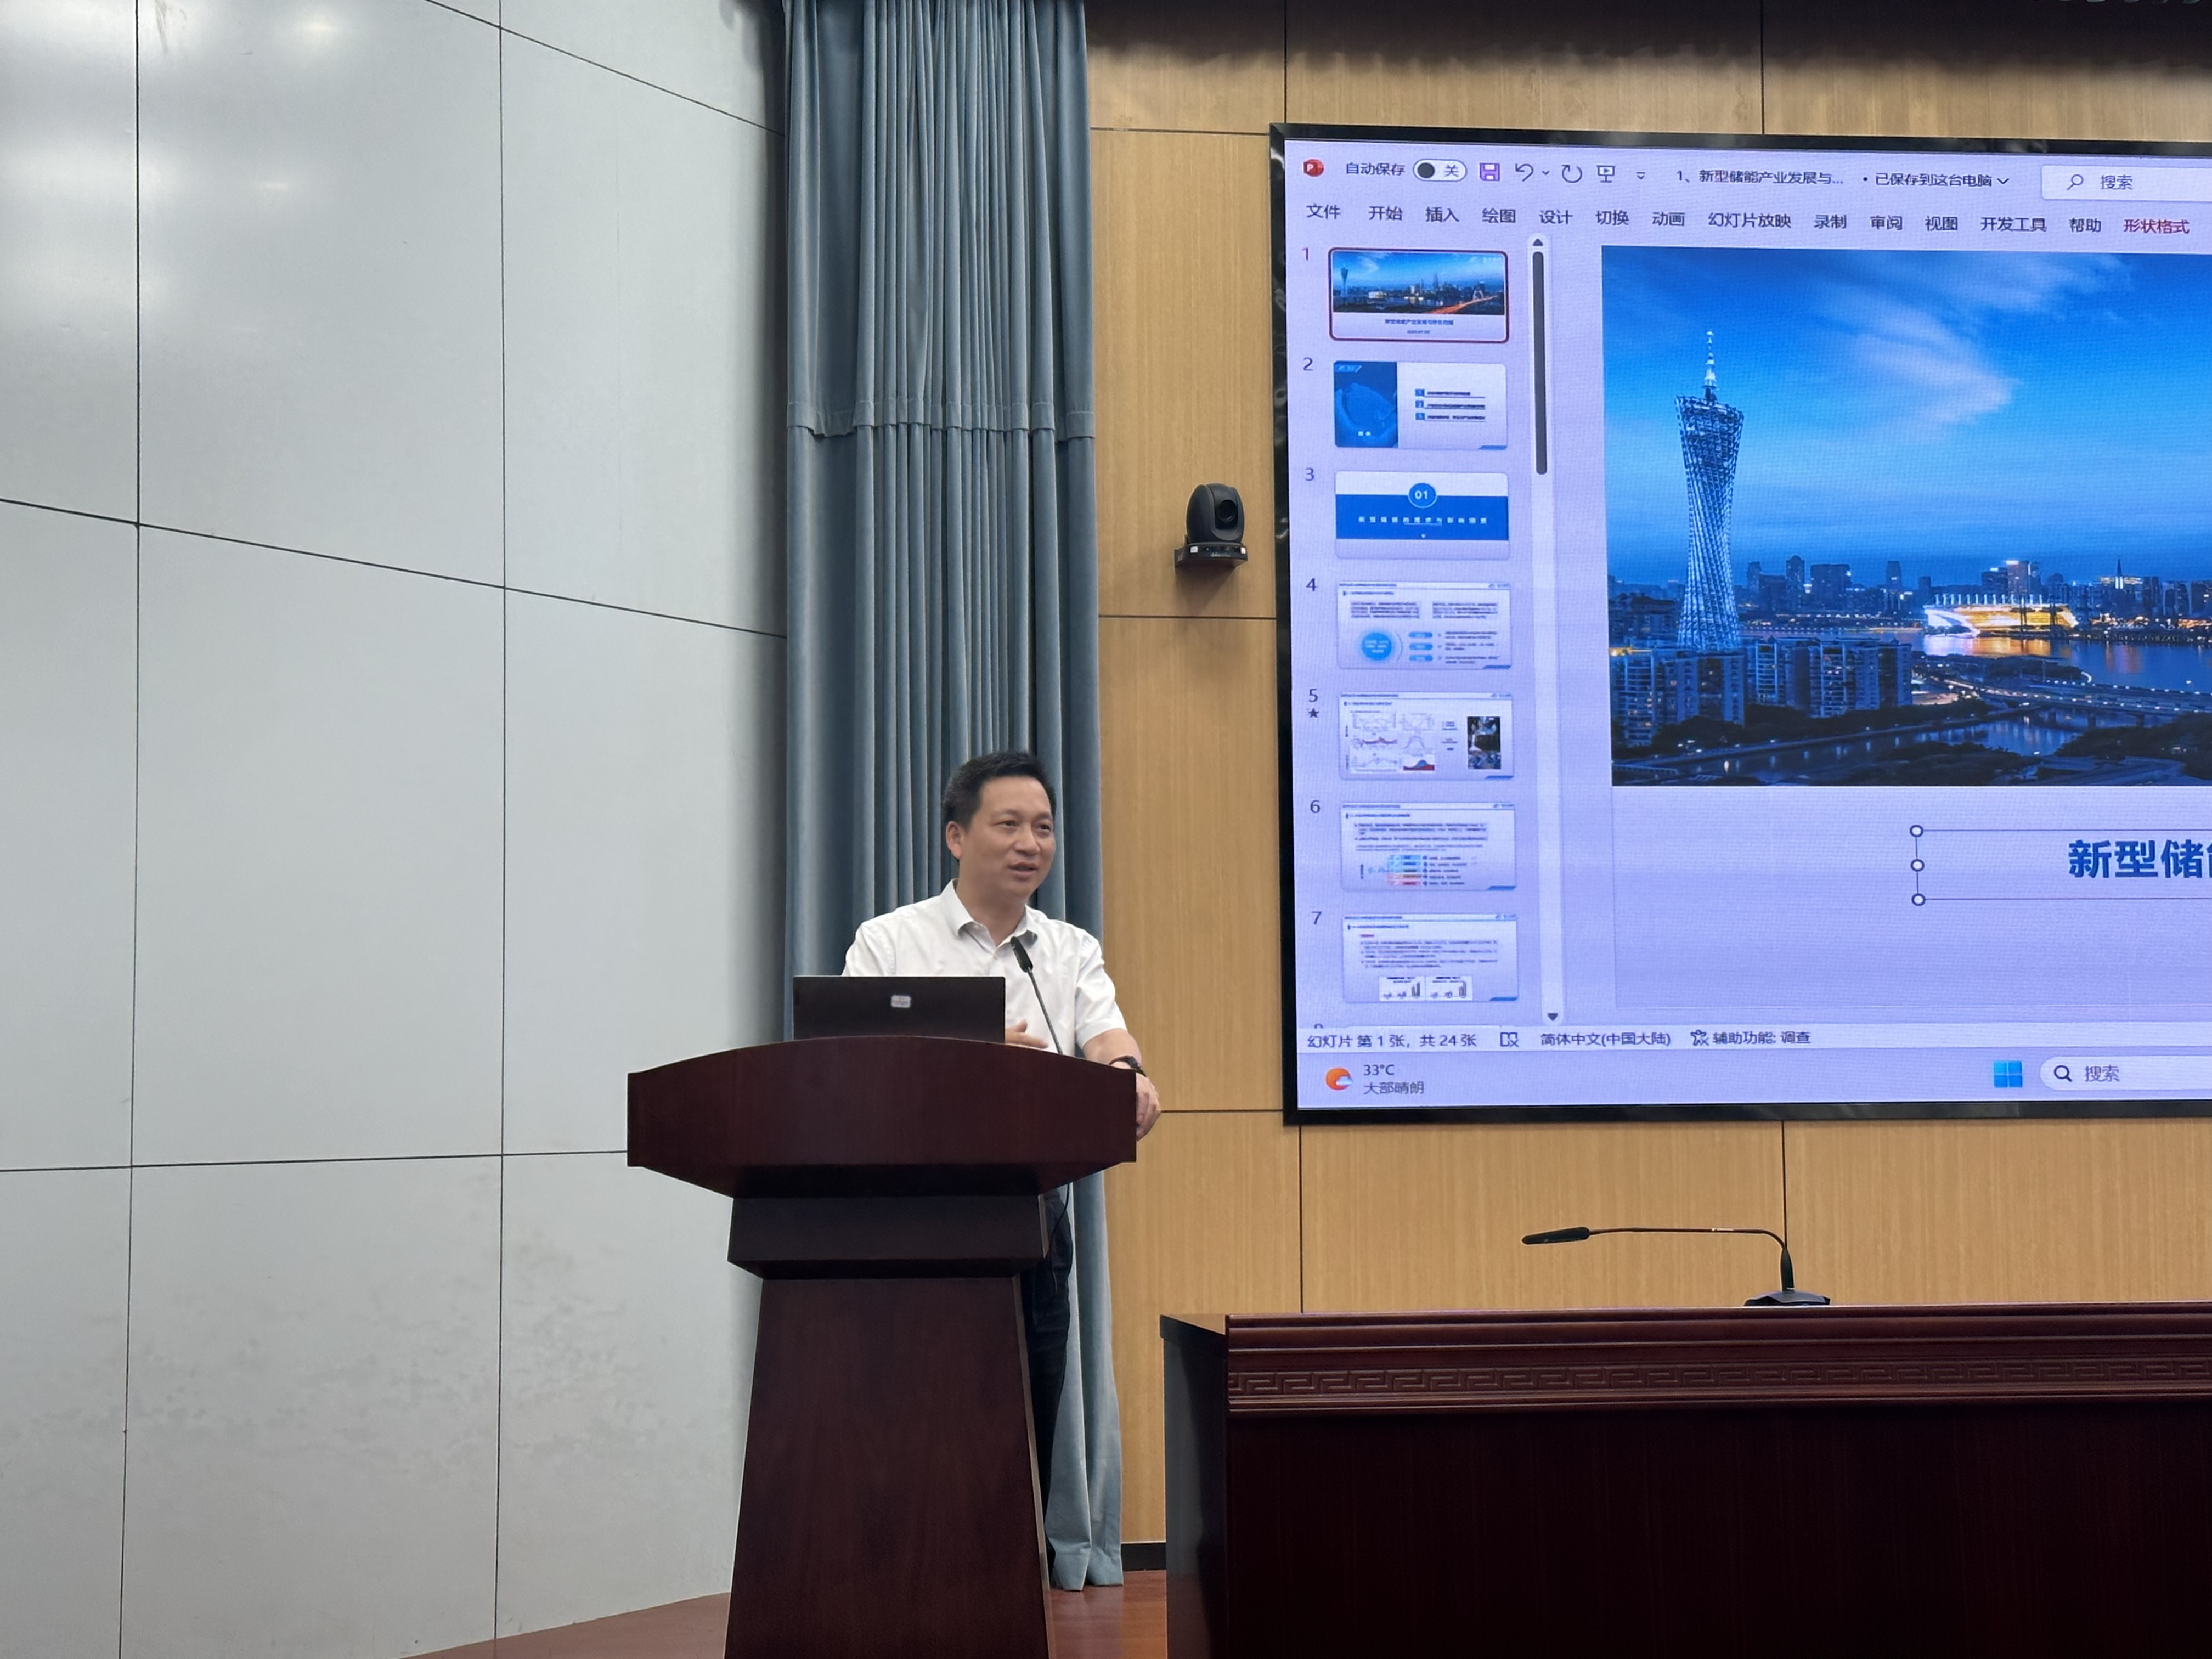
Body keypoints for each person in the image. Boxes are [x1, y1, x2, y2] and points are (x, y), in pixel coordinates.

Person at [843, 749, 1160, 1509]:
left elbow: (1107, 1038)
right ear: (956, 837)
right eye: (1009, 825)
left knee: (1022, 1429)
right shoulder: (889, 941)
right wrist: (979, 1056)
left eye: (1043, 828)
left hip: (1031, 1219)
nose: (1030, 844)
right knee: (908, 1425)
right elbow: (850, 1065)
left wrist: (1129, 1076)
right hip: (910, 1220)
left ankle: (1019, 1572)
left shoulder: (1069, 949)